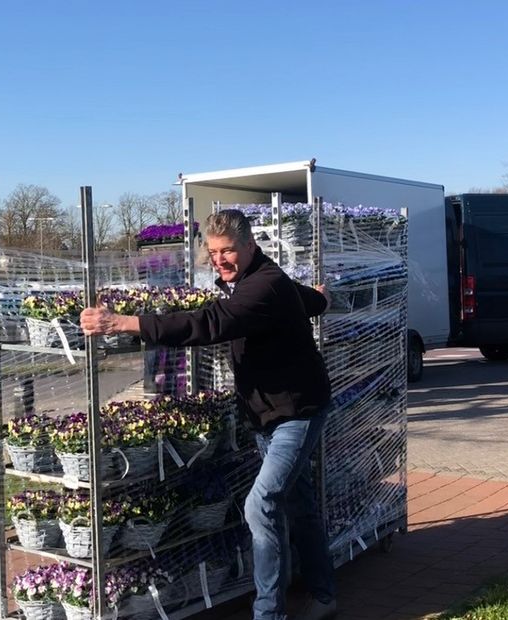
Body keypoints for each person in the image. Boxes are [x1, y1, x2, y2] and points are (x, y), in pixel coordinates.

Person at [79, 209, 336, 620]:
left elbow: (211, 323)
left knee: (261, 504)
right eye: (213, 252)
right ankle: (323, 595)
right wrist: (321, 298)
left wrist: (122, 322)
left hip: (296, 413)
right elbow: (304, 298)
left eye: (228, 250)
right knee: (298, 505)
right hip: (266, 416)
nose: (219, 259)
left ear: (251, 246)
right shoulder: (264, 282)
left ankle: (269, 613)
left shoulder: (264, 286)